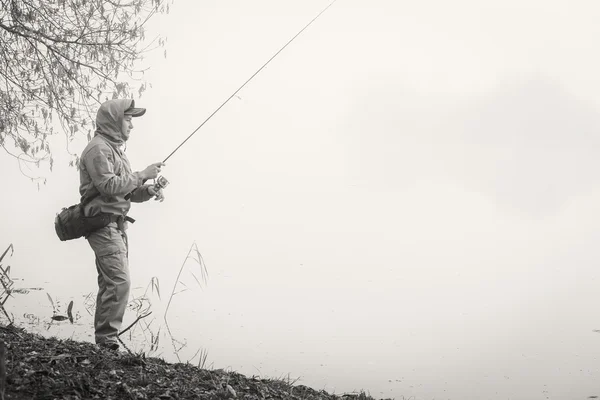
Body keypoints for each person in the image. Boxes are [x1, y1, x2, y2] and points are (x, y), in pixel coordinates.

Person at [78, 98, 165, 351]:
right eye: (128, 119)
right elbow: (107, 187)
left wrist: (148, 190)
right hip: (102, 225)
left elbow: (126, 193)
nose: (131, 125)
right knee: (119, 282)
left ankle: (105, 341)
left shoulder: (115, 150)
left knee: (110, 283)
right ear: (114, 121)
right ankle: (107, 341)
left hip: (116, 225)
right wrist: (141, 174)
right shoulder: (98, 149)